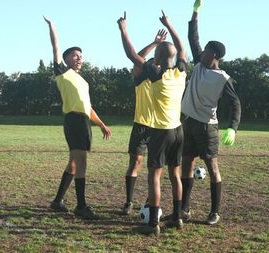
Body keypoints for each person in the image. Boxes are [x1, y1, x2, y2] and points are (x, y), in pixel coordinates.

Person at [118, 11, 187, 236]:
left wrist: (124, 30)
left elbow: (131, 54)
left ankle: (153, 225)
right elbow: (181, 47)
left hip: (161, 132)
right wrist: (169, 24)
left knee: (154, 176)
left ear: (156, 60)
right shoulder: (180, 73)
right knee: (175, 175)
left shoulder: (156, 76)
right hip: (178, 130)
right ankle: (177, 218)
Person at [179, 0, 242, 225]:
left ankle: (214, 212)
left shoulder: (222, 78)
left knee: (212, 167)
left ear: (213, 54)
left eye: (205, 50)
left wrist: (232, 128)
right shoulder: (198, 65)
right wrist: (195, 13)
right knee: (186, 164)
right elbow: (192, 38)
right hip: (188, 124)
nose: (201, 51)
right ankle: (184, 209)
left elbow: (235, 104)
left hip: (207, 127)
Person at [44, 16, 112, 220]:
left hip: (83, 121)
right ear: (66, 60)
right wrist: (53, 27)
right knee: (81, 162)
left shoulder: (83, 81)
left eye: (80, 55)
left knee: (74, 164)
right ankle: (81, 206)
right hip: (74, 121)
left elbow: (88, 108)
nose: (78, 58)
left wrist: (101, 124)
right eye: (74, 55)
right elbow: (55, 48)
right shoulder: (62, 74)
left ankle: (57, 202)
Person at [122, 29, 168, 215]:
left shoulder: (164, 80)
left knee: (157, 167)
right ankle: (128, 202)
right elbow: (137, 57)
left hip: (160, 127)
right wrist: (155, 43)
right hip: (141, 125)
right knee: (136, 163)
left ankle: (151, 201)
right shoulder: (140, 80)